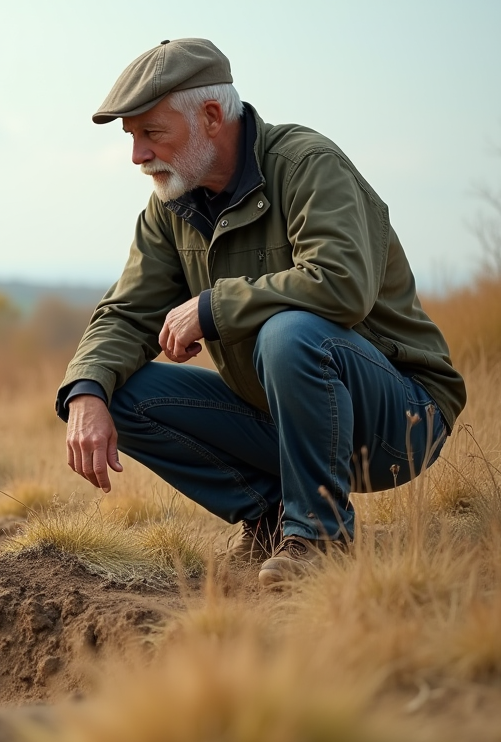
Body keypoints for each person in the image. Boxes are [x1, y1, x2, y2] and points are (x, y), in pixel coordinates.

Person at [57, 38, 466, 587]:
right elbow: (125, 314)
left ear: (209, 116)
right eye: (132, 137)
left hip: (399, 417)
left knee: (289, 332)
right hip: (284, 421)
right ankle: (275, 520)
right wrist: (85, 392)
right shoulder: (170, 207)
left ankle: (319, 536)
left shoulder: (307, 165)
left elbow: (341, 284)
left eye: (152, 133)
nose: (137, 156)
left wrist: (212, 307)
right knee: (117, 391)